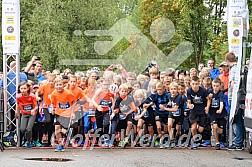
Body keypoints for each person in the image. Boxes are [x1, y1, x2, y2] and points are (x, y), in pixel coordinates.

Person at [0, 61, 28, 131]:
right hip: (23, 101)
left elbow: (2, 87)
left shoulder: (6, 76)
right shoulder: (23, 75)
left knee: (14, 122)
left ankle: (14, 138)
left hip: (11, 102)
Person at [225, 52, 245, 151]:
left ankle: (238, 143)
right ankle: (239, 141)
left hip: (234, 98)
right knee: (239, 119)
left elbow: (233, 83)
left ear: (227, 61)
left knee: (236, 120)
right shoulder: (241, 68)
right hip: (241, 97)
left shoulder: (233, 70)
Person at [51, 77, 76, 152]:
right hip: (58, 112)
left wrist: (73, 112)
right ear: (54, 85)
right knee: (57, 128)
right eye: (57, 85)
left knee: (64, 131)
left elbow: (74, 102)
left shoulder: (68, 93)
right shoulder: (54, 94)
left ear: (63, 85)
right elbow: (53, 103)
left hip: (67, 113)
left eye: (60, 85)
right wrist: (52, 108)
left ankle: (66, 136)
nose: (59, 86)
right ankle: (60, 144)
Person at [187, 76, 210, 149]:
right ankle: (195, 141)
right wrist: (189, 105)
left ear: (199, 83)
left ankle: (198, 138)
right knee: (193, 128)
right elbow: (189, 101)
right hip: (194, 111)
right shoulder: (189, 91)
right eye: (193, 84)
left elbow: (208, 99)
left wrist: (207, 107)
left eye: (196, 84)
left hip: (202, 111)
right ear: (190, 83)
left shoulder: (203, 90)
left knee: (200, 129)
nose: (195, 86)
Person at [160, 82, 184, 148]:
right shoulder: (168, 95)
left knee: (178, 129)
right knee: (169, 125)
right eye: (171, 89)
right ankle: (172, 140)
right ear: (169, 90)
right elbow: (169, 100)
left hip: (179, 114)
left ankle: (177, 138)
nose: (173, 91)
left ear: (177, 90)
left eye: (174, 89)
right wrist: (169, 103)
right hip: (172, 113)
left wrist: (165, 108)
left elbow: (175, 109)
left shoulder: (179, 97)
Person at [16, 82, 38, 148]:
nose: (23, 90)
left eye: (24, 88)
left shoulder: (32, 96)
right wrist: (16, 112)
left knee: (29, 128)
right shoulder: (18, 96)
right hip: (24, 114)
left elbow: (36, 106)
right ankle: (24, 139)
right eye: (21, 88)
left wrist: (34, 110)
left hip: (32, 114)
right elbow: (17, 104)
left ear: (28, 88)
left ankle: (29, 141)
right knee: (22, 129)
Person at [208, 78, 227, 150]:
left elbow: (221, 102)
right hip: (213, 113)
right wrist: (208, 99)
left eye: (217, 86)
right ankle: (217, 143)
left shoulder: (220, 93)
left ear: (220, 86)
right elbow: (207, 100)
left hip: (220, 113)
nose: (215, 88)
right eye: (214, 86)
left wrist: (220, 109)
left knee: (220, 131)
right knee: (215, 127)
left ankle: (221, 139)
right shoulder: (210, 92)